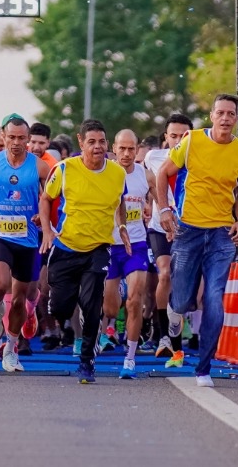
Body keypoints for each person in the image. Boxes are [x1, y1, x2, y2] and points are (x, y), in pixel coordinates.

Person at [156, 94, 238, 384]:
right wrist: (163, 209)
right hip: (188, 231)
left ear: (236, 119)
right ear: (211, 116)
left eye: (230, 114)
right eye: (220, 113)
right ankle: (174, 314)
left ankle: (204, 368)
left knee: (214, 299)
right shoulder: (192, 141)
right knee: (183, 301)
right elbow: (163, 173)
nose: (225, 118)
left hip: (222, 235)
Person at [41, 118, 128, 384]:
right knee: (61, 307)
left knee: (92, 305)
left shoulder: (117, 173)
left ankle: (87, 360)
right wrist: (47, 230)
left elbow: (120, 201)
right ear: (81, 143)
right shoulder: (65, 169)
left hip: (98, 249)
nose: (97, 147)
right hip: (66, 247)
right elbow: (46, 199)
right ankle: (58, 308)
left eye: (102, 141)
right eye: (91, 142)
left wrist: (122, 225)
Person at [0, 115, 51, 373]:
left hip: (28, 238)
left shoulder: (40, 167)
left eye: (21, 138)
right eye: (11, 137)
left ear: (27, 139)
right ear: (3, 136)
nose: (16, 142)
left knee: (22, 300)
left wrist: (42, 215)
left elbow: (53, 196)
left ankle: (11, 349)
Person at [103, 128, 153, 379]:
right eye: (121, 148)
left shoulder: (145, 174)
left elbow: (163, 197)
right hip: (109, 245)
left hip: (136, 245)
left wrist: (155, 209)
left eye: (131, 149)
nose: (126, 154)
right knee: (110, 309)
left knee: (135, 300)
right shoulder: (106, 173)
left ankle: (130, 358)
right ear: (114, 148)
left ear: (137, 149)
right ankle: (115, 297)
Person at [146, 112, 192, 357]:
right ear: (165, 137)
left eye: (182, 136)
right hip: (158, 227)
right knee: (164, 274)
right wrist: (146, 205)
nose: (177, 140)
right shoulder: (154, 157)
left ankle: (175, 330)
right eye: (172, 136)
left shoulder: (198, 159)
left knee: (181, 283)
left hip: (188, 230)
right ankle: (163, 334)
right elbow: (146, 184)